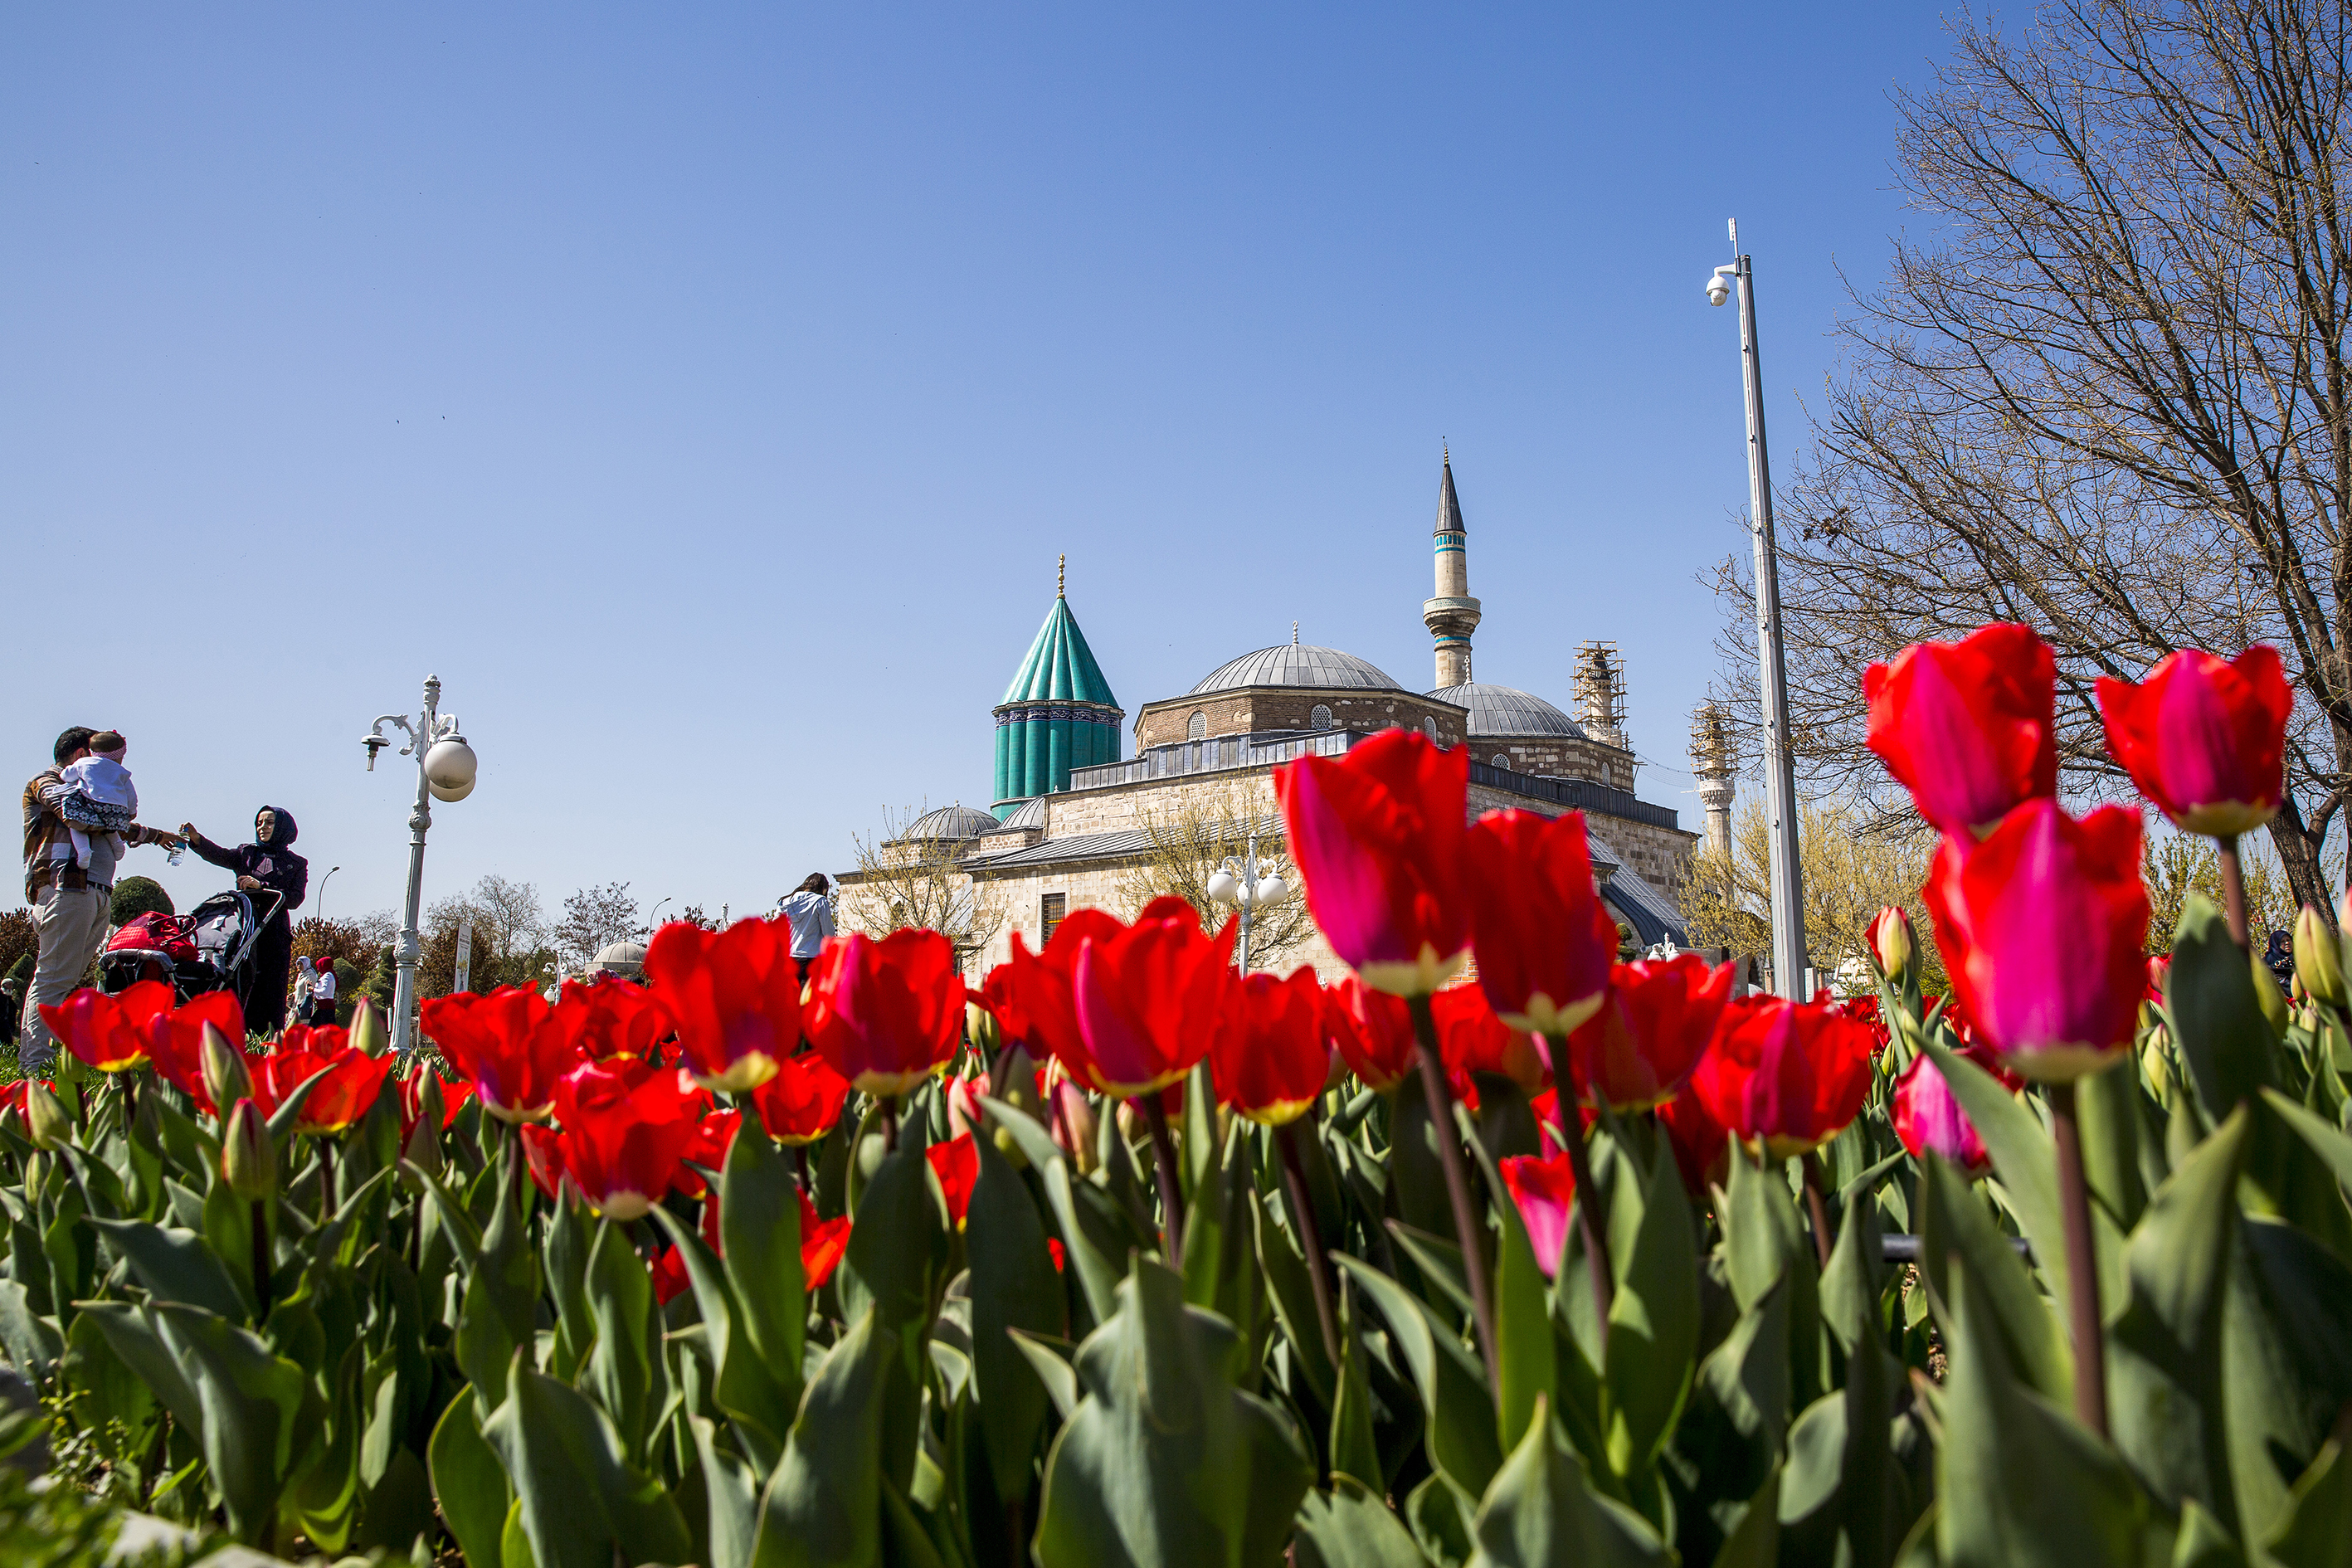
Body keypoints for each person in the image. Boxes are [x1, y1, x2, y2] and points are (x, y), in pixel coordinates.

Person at [21, 727, 183, 1074]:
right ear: (82, 755)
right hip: (65, 887)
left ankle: (46, 1056)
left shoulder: (88, 790)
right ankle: (34, 1064)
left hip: (94, 889)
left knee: (66, 977)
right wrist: (119, 811)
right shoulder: (47, 782)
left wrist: (155, 836)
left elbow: (110, 820)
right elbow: (79, 814)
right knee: (52, 977)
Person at [178, 806, 308, 1036]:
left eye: (269, 823)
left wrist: (262, 887)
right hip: (245, 928)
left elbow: (295, 898)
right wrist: (197, 840)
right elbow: (219, 855)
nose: (263, 827)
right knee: (239, 980)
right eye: (259, 822)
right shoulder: (247, 854)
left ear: (282, 827)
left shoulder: (296, 863)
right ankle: (234, 1035)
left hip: (273, 930)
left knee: (270, 988)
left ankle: (265, 1042)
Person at [56, 730, 136, 873]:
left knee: (74, 819)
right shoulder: (121, 772)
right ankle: (117, 844)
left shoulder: (83, 763)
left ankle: (84, 851)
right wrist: (131, 812)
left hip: (93, 805)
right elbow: (131, 794)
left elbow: (66, 776)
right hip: (117, 811)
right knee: (109, 822)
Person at [778, 873, 835, 983]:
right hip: (812, 957)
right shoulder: (820, 901)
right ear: (823, 888)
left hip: (789, 956)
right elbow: (828, 933)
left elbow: (778, 928)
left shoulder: (785, 902)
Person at [309, 954, 338, 1026]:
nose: (318, 969)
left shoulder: (327, 976)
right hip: (323, 1007)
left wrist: (313, 990)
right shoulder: (326, 975)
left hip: (326, 1009)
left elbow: (325, 992)